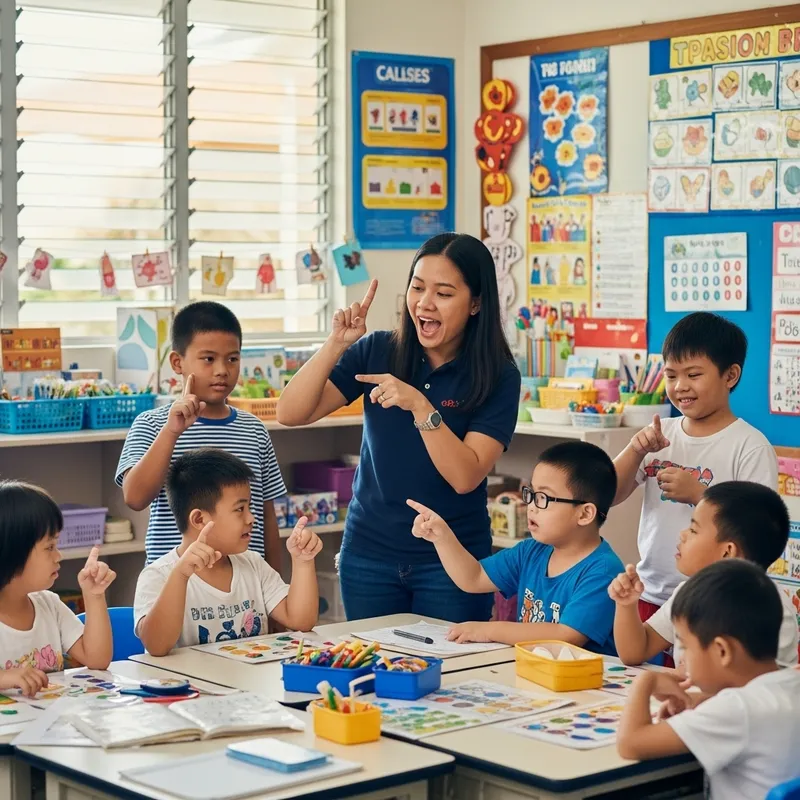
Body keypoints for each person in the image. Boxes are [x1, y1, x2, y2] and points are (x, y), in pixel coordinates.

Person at [276, 233, 521, 621]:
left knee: (454, 676)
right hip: (369, 553)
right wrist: (336, 344)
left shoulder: (498, 375)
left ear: (476, 303)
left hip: (452, 560)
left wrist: (420, 407)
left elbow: (465, 476)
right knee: (373, 672)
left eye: (443, 293)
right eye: (418, 287)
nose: (424, 303)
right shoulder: (379, 348)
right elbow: (290, 413)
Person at [612, 313, 777, 631]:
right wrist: (636, 450)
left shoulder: (749, 446)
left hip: (715, 602)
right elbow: (609, 495)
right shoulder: (660, 433)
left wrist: (700, 496)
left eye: (693, 374)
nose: (680, 387)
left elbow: (758, 532)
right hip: (650, 595)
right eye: (671, 375)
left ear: (730, 376)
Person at [406, 442, 623, 652]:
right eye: (531, 494)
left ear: (584, 514)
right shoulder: (531, 551)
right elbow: (473, 577)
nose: (531, 507)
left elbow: (566, 636)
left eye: (543, 498)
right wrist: (442, 537)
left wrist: (490, 629)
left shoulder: (603, 571)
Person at [116, 302, 286, 568]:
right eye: (208, 359)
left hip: (244, 589)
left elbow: (266, 515)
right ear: (177, 362)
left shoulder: (254, 430)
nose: (222, 370)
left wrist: (275, 586)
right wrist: (171, 432)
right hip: (175, 585)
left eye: (232, 358)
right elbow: (135, 498)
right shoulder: (150, 424)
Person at [617, 560, 800, 800]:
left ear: (722, 651)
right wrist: (702, 700)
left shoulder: (735, 710)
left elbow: (630, 744)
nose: (682, 657)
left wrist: (647, 681)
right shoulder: (788, 684)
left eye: (684, 645)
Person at [134, 449, 321, 655]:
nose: (251, 518)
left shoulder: (253, 564)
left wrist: (303, 561)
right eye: (240, 509)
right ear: (199, 519)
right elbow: (156, 647)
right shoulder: (158, 575)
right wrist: (180, 576)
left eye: (249, 507)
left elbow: (301, 620)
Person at [610, 481, 798, 669]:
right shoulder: (689, 592)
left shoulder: (772, 611)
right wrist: (627, 605)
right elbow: (635, 651)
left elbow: (752, 689)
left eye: (693, 530)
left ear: (727, 552)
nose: (682, 534)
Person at [0, 482, 115, 696]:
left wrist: (94, 596)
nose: (58, 555)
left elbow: (97, 660)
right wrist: (4, 677)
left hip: (50, 722)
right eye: (50, 547)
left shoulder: (49, 604)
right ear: (12, 552)